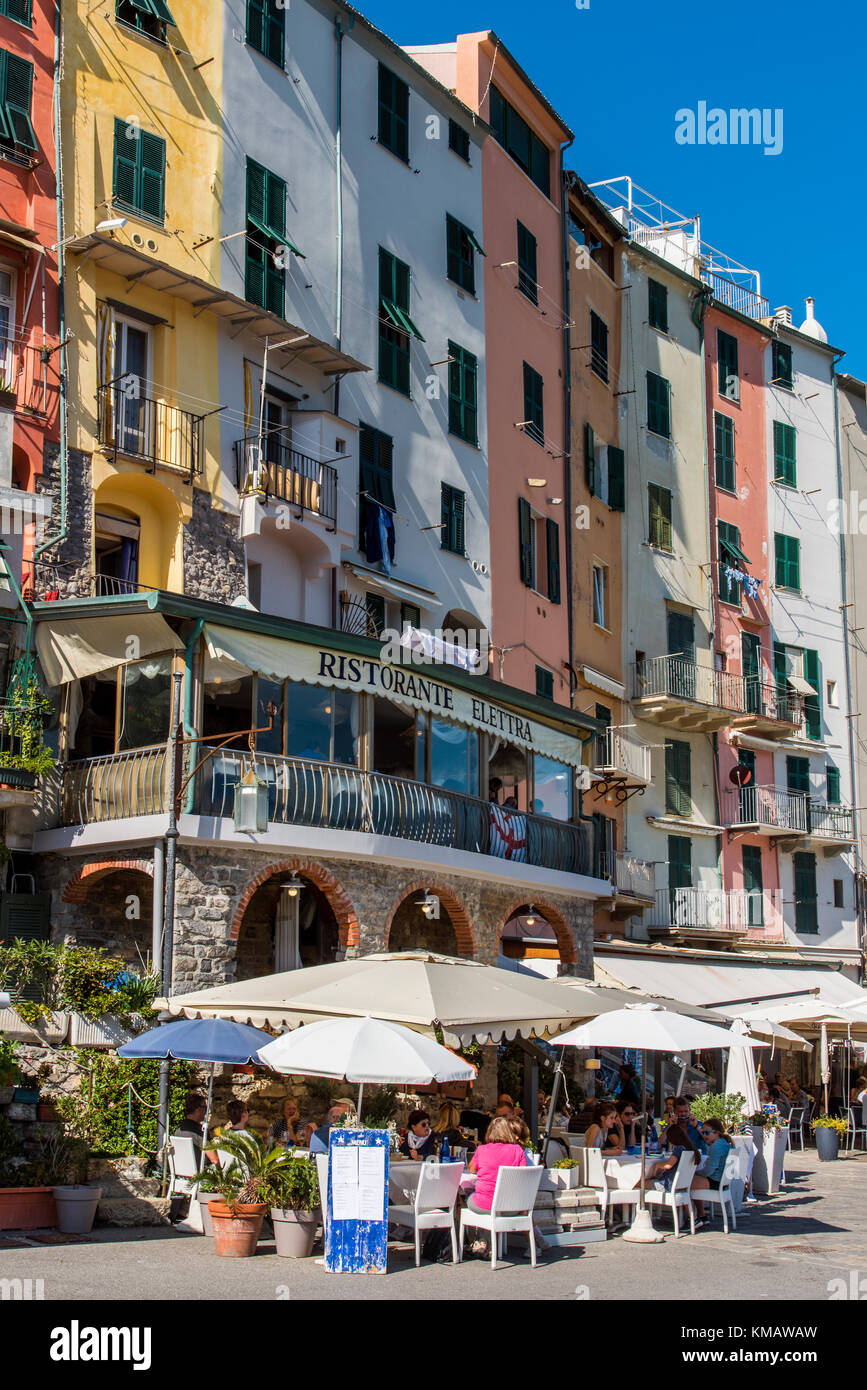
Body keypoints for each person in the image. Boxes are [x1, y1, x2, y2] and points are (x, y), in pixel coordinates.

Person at [467, 1116, 527, 1215]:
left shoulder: (482, 1149)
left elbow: (472, 1169)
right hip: (510, 1208)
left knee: (469, 1196)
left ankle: (479, 1229)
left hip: (483, 1205)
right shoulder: (517, 1150)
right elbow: (522, 1175)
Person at [691, 1117, 734, 1223]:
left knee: (684, 1183)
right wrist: (697, 1127)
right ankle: (700, 1216)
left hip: (715, 1181)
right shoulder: (723, 1143)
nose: (704, 1135)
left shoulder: (717, 1146)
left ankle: (694, 1218)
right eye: (703, 1132)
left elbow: (710, 1170)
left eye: (707, 1133)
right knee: (690, 1180)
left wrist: (698, 1173)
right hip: (722, 1182)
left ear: (717, 1133)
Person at [648, 1122, 698, 1192]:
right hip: (678, 1186)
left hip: (667, 1185)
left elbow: (669, 1165)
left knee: (639, 1183)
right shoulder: (690, 1149)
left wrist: (658, 1165)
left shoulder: (679, 1148)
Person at [174, 1093, 218, 1166]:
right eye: (206, 1108)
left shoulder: (179, 1130)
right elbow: (214, 1160)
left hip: (182, 1173)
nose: (207, 1111)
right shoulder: (200, 1132)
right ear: (198, 1110)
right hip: (201, 1174)